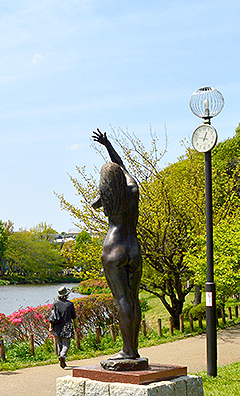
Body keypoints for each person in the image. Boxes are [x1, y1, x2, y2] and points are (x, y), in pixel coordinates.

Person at [90, 129, 143, 363]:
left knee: (122, 300)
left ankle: (127, 351)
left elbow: (96, 203)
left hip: (114, 247)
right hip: (134, 247)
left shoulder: (107, 197)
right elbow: (120, 165)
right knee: (134, 298)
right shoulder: (132, 189)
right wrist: (107, 145)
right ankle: (133, 349)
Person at [49, 286, 77, 368]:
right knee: (66, 344)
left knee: (59, 344)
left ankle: (60, 359)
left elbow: (52, 317)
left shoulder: (55, 304)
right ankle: (62, 356)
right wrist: (76, 327)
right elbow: (74, 317)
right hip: (67, 326)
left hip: (57, 327)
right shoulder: (70, 304)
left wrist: (51, 327)